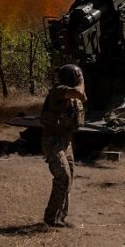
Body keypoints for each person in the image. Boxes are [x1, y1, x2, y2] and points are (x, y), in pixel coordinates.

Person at [40, 64, 87, 228]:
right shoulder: (58, 90)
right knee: (63, 176)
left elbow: (83, 97)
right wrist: (81, 80)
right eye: (78, 75)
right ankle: (50, 218)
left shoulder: (71, 93)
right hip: (53, 142)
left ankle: (60, 217)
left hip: (66, 141)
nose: (79, 77)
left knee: (69, 178)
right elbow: (80, 93)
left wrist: (80, 84)